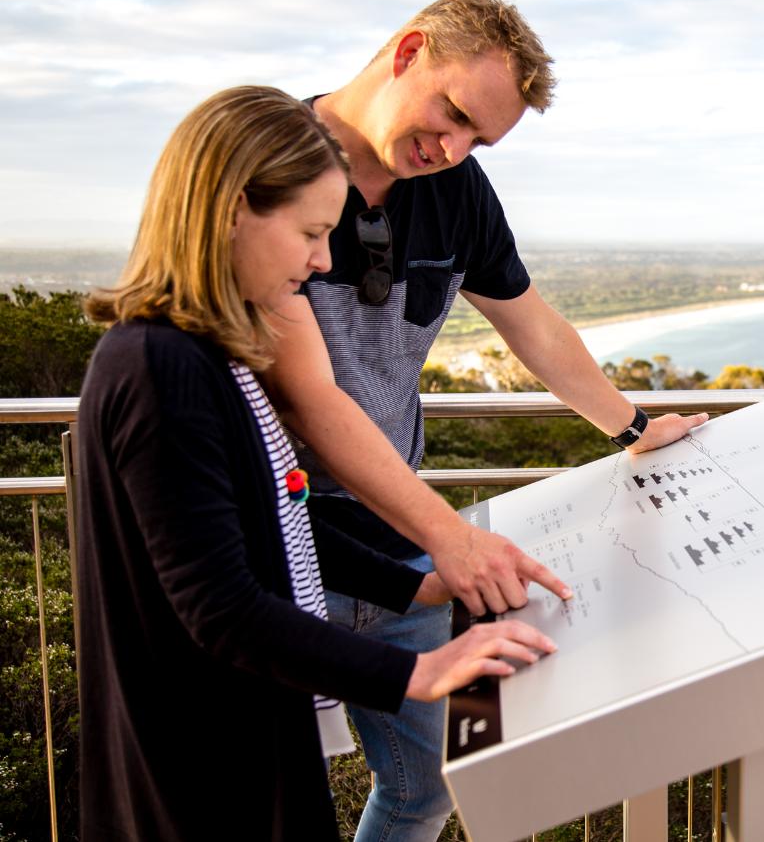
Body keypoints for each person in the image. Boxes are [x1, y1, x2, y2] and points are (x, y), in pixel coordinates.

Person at [259, 0, 708, 839]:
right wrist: (455, 541)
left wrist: (632, 427)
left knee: (428, 788)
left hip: (405, 548)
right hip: (286, 547)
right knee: (278, 801)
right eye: (453, 113)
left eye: (478, 139)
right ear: (409, 52)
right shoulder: (271, 156)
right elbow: (309, 401)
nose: (452, 148)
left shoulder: (458, 189)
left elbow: (531, 323)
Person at [74, 85, 555, 842]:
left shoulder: (204, 356)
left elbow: (273, 518)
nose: (324, 258)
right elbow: (221, 605)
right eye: (309, 231)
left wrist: (417, 582)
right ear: (233, 207)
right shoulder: (158, 368)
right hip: (196, 769)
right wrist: (417, 674)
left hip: (239, 736)